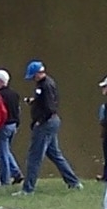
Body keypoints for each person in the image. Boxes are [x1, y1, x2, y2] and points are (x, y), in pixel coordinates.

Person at [23, 59, 82, 192]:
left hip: (46, 123)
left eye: (33, 76)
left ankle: (28, 189)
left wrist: (40, 121)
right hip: (52, 122)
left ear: (38, 74)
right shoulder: (45, 84)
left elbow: (50, 107)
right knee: (55, 154)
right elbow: (45, 102)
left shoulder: (45, 86)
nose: (33, 79)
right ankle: (74, 182)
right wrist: (33, 101)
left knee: (34, 156)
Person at [0, 68, 26, 188]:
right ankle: (16, 173)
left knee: (2, 153)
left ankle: (5, 179)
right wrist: (17, 123)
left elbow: (0, 112)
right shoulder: (15, 94)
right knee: (6, 150)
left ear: (1, 81)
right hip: (13, 125)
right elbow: (18, 110)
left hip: (4, 125)